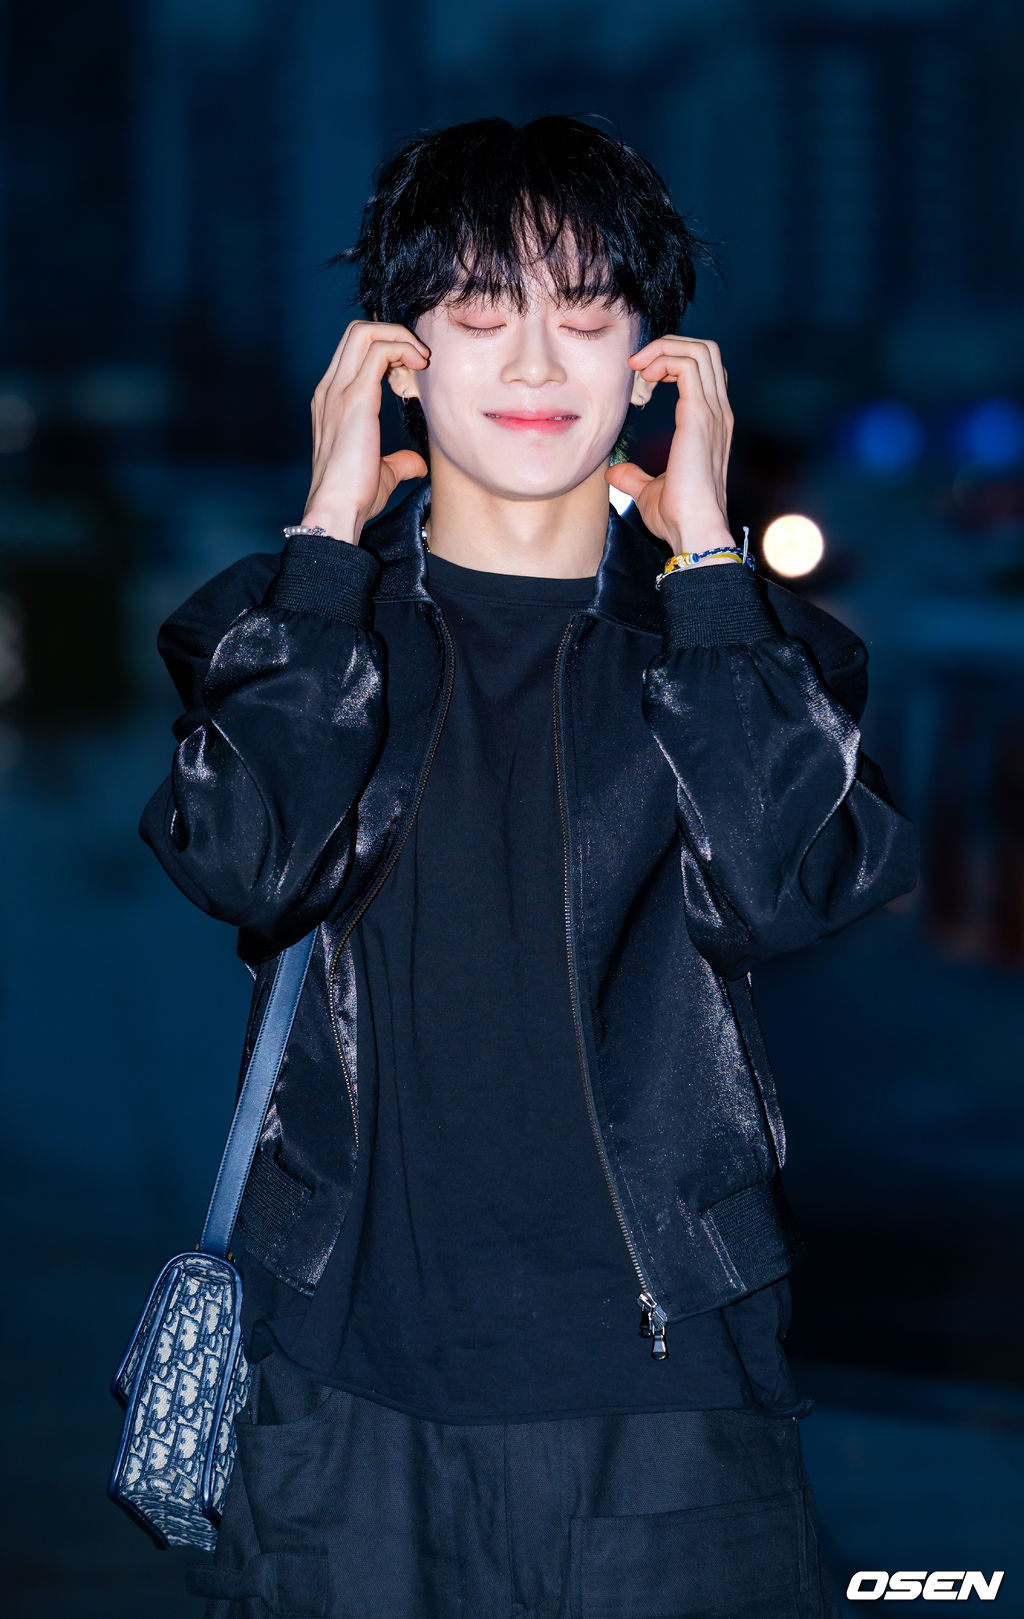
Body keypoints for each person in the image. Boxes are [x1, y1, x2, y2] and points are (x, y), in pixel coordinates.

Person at [140, 115, 918, 1618]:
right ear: (399, 354)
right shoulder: (293, 632)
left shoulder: (734, 657)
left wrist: (708, 563)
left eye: (588, 309)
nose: (539, 362)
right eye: (483, 311)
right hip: (338, 1406)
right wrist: (326, 537)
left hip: (670, 1413)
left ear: (656, 360)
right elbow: (244, 862)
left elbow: (792, 886)